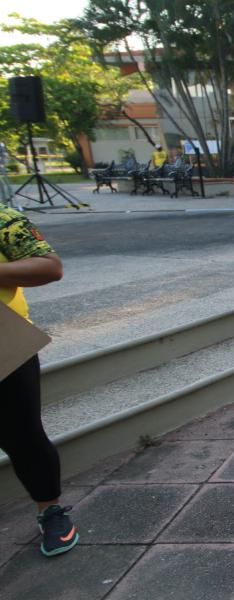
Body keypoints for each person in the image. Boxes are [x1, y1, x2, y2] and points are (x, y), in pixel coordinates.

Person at [0, 206, 79, 557]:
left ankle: (49, 510)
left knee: (23, 434)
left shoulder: (2, 217)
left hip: (3, 339)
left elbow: (49, 266)